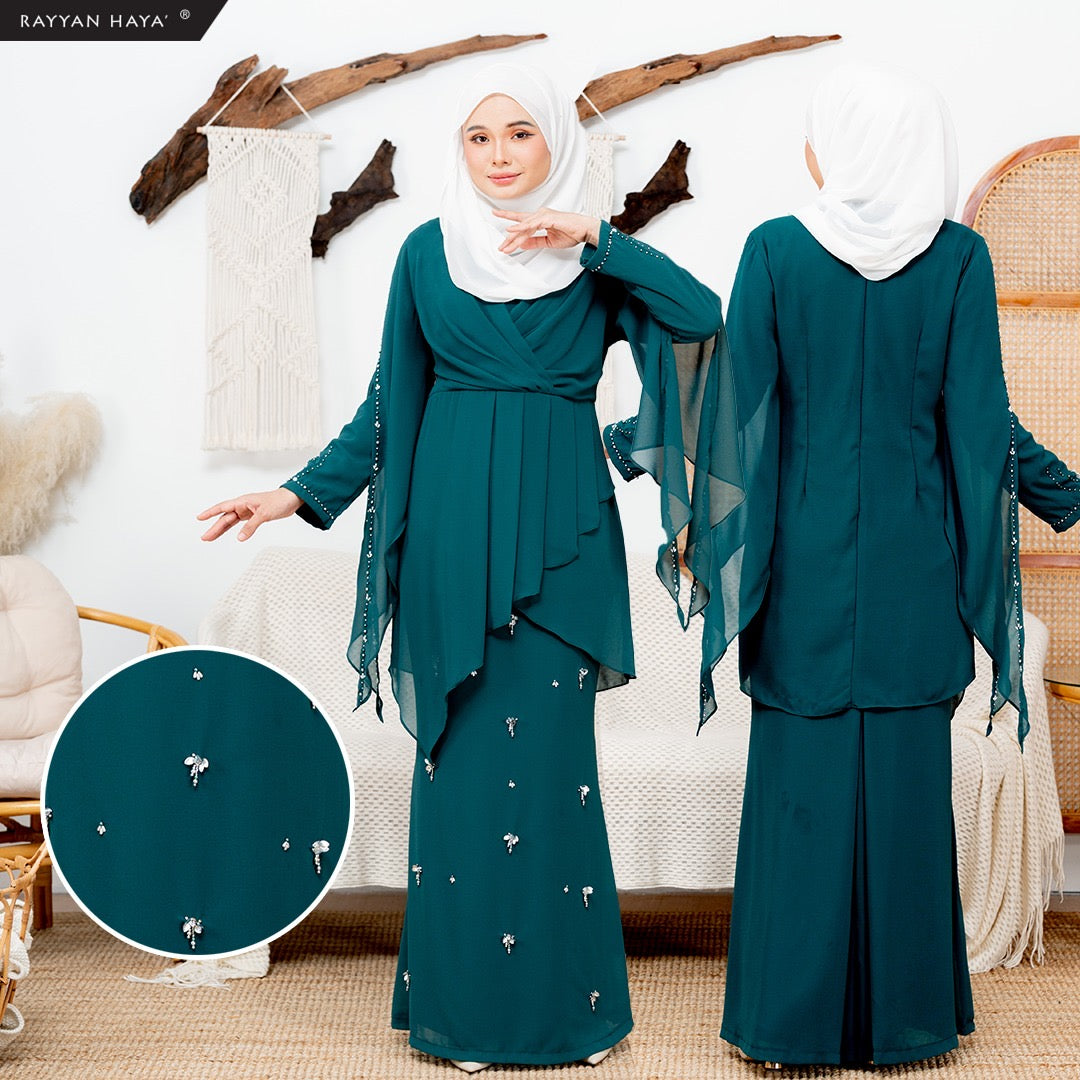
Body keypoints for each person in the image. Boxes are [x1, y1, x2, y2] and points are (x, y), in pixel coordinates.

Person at [199, 62, 749, 1069]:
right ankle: (464, 1018)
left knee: (554, 781)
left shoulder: (597, 262)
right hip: (451, 539)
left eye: (519, 133)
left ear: (555, 142)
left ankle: (572, 1015)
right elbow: (386, 405)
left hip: (565, 542)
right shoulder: (426, 252)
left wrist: (598, 236)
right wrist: (296, 493)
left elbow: (704, 317)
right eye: (478, 137)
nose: (498, 155)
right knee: (458, 783)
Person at [713, 64, 1080, 1067]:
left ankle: (787, 1027)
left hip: (801, 576)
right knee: (909, 805)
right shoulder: (958, 257)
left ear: (843, 144)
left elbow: (735, 414)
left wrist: (628, 444)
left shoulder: (775, 249)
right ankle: (905, 1023)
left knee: (800, 801)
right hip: (918, 569)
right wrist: (1067, 494)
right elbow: (980, 423)